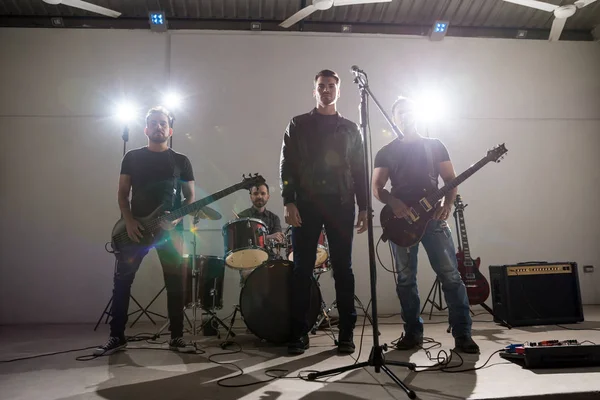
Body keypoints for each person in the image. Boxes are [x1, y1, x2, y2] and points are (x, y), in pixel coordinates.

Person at [371, 96, 479, 354]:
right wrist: (393, 201)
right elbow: (376, 188)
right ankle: (412, 332)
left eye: (410, 112)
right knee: (406, 280)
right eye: (400, 113)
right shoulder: (386, 151)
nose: (406, 116)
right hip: (400, 223)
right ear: (394, 118)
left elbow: (451, 179)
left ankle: (463, 333)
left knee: (451, 276)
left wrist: (447, 205)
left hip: (433, 221)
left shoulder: (434, 146)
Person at [95, 106, 196, 355]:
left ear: (170, 129)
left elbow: (191, 197)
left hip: (170, 232)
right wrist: (128, 220)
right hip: (136, 230)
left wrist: (175, 220)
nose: (158, 126)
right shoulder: (131, 157)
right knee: (122, 282)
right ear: (146, 128)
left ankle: (177, 337)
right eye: (153, 123)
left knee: (175, 284)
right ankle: (117, 336)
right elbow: (122, 193)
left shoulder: (181, 161)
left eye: (162, 123)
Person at [280, 69, 368, 355]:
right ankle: (298, 333)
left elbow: (359, 169)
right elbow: (287, 165)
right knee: (301, 269)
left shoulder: (351, 129)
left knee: (343, 269)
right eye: (321, 86)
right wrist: (288, 200)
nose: (326, 90)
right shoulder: (298, 124)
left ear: (338, 91)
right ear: (314, 90)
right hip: (305, 205)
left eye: (331, 86)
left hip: (342, 204)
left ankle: (346, 334)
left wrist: (365, 205)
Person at [237, 182, 285, 282]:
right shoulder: (242, 216)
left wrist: (277, 238)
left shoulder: (274, 218)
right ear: (251, 196)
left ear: (268, 196)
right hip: (248, 260)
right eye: (255, 194)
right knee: (251, 275)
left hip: (270, 260)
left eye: (263, 193)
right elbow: (241, 242)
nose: (259, 196)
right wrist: (267, 237)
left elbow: (277, 239)